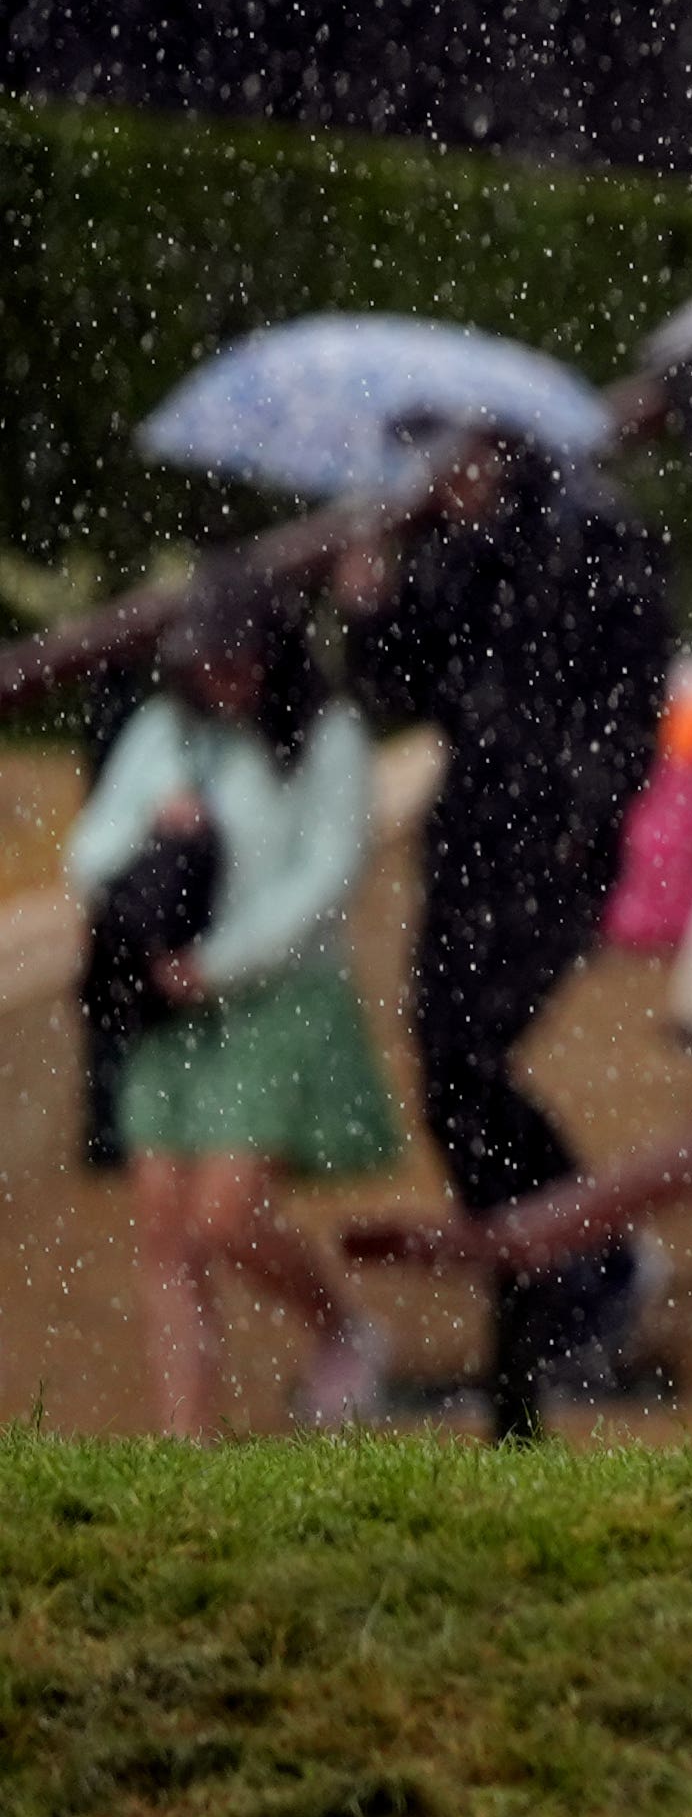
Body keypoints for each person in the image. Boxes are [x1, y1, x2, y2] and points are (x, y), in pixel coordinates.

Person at [340, 417, 676, 1404]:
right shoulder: (445, 552)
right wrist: (370, 605)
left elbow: (631, 697)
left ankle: (583, 1260)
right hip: (469, 841)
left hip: (553, 848)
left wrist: (585, 812)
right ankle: (562, 1258)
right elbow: (398, 688)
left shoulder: (588, 533)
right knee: (449, 1070)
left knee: (473, 1061)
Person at [70, 580, 400, 1439]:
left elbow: (324, 878)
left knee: (224, 1215)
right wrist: (158, 823)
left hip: (276, 996)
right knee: (166, 1233)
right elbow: (91, 849)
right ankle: (190, 1441)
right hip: (165, 1006)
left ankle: (339, 1327)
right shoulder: (168, 731)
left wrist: (219, 961)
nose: (222, 678)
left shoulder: (328, 741)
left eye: (236, 659)